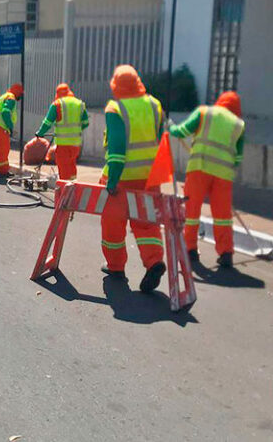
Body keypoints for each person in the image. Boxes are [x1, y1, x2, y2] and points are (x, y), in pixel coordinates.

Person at [100, 65, 166, 293]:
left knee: (113, 223)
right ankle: (155, 261)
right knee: (147, 223)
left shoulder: (115, 108)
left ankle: (116, 266)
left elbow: (117, 151)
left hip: (122, 179)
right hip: (150, 177)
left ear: (115, 86)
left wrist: (112, 180)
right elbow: (158, 139)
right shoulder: (154, 104)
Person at [169, 91, 245, 269]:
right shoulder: (239, 124)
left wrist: (171, 127)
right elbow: (238, 158)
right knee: (223, 216)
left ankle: (190, 250)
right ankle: (226, 253)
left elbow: (183, 131)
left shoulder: (205, 112)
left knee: (192, 210)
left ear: (220, 102)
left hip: (199, 169)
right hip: (223, 174)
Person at [35, 83, 89, 180]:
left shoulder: (57, 104)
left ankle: (64, 190)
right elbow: (85, 123)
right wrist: (75, 131)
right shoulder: (80, 104)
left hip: (63, 144)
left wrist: (40, 133)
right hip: (76, 144)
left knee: (64, 168)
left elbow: (47, 122)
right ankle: (73, 187)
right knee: (72, 166)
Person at [0, 83, 23, 177]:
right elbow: (5, 112)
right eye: (21, 95)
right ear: (18, 93)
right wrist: (10, 126)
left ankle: (4, 170)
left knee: (1, 150)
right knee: (3, 150)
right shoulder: (11, 98)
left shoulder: (5, 96)